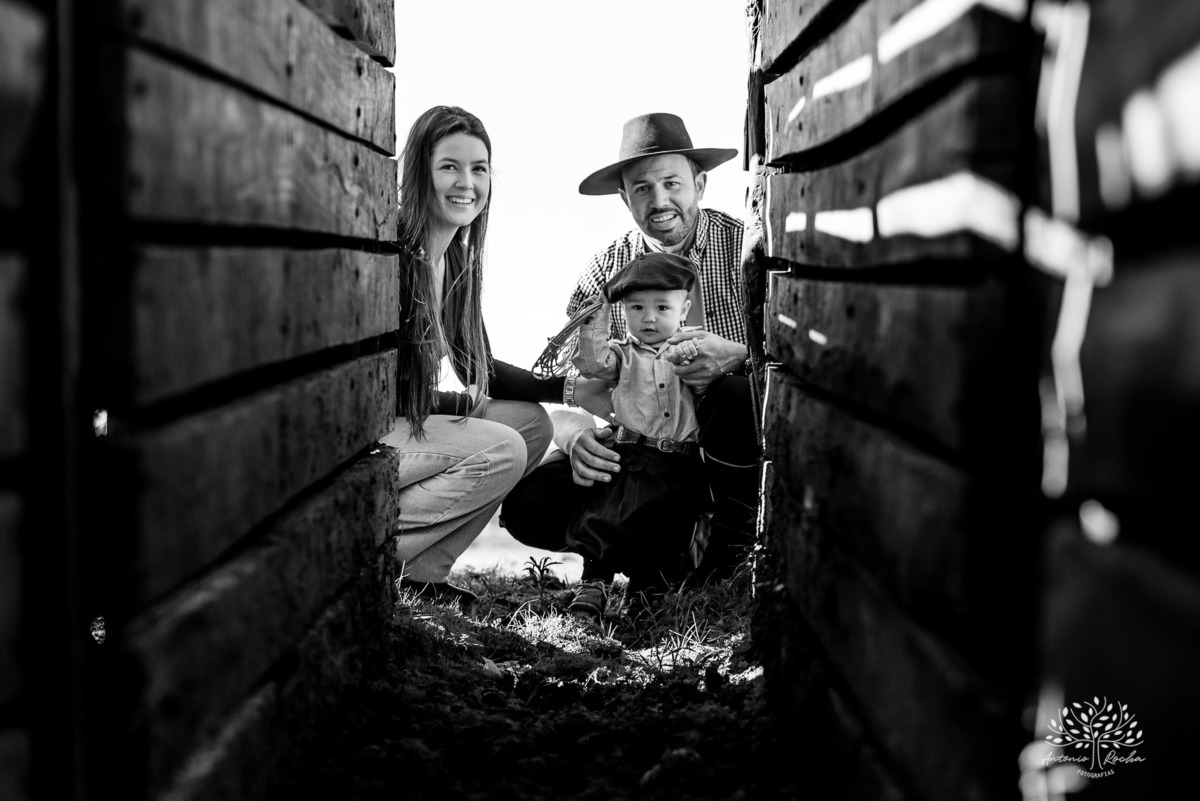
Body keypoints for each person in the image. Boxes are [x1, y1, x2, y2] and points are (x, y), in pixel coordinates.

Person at [501, 112, 760, 603]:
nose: (659, 200)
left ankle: (727, 549)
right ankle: (632, 557)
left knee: (730, 394)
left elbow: (792, 364)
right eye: (642, 188)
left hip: (727, 452)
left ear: (700, 184)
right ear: (624, 198)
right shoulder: (602, 272)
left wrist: (739, 354)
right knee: (529, 502)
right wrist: (574, 433)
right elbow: (568, 386)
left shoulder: (746, 249)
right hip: (642, 451)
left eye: (671, 183)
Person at [380, 106, 561, 610]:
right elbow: (385, 387)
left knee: (530, 426)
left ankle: (423, 574)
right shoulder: (393, 254)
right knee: (501, 447)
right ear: (420, 171)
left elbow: (475, 363)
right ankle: (374, 551)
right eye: (450, 166)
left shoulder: (453, 258)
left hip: (403, 421)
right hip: (365, 438)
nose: (468, 182)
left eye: (479, 168)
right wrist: (463, 408)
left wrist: (566, 390)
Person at [564, 253, 712, 619]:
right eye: (636, 307)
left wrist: (694, 351)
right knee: (609, 517)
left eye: (662, 307)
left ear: (684, 309)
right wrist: (594, 324)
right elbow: (591, 364)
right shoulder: (622, 355)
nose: (649, 318)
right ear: (623, 311)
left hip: (681, 459)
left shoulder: (693, 347)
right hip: (633, 454)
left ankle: (645, 598)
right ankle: (594, 585)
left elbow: (710, 373)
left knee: (667, 531)